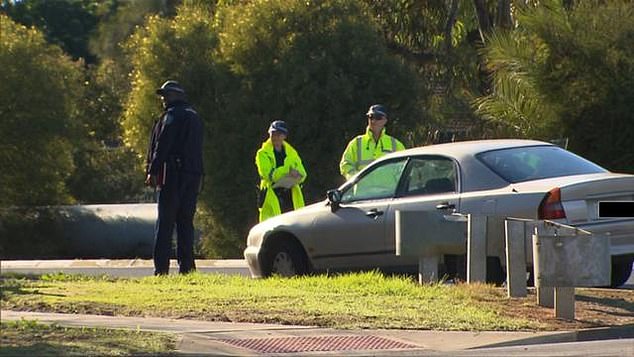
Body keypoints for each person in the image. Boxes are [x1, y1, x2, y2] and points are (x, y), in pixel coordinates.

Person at [145, 80, 203, 276]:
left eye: (166, 96)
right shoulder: (194, 116)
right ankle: (187, 268)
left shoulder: (171, 117)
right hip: (194, 175)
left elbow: (162, 145)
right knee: (186, 222)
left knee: (166, 223)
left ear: (175, 96)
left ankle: (161, 269)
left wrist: (152, 170)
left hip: (173, 175)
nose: (163, 100)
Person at [255, 120, 307, 222]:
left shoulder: (292, 152)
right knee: (273, 226)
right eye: (272, 134)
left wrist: (297, 174)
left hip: (291, 195)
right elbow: (268, 174)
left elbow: (303, 173)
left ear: (284, 136)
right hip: (271, 194)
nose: (275, 137)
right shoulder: (262, 153)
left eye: (278, 134)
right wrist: (287, 171)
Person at [339, 104, 406, 180]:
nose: (373, 121)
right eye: (371, 117)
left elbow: (404, 168)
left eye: (378, 117)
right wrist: (355, 178)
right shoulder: (356, 143)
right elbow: (345, 164)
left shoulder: (395, 144)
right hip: (363, 191)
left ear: (385, 120)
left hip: (388, 191)